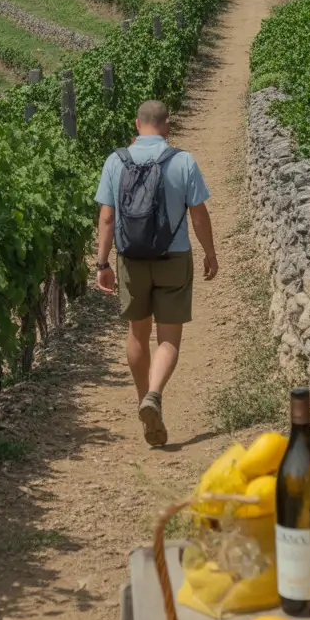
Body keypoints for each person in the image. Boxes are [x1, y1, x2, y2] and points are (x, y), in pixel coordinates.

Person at [94, 99, 218, 447]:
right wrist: (210, 253)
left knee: (137, 332)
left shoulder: (115, 161)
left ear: (137, 124)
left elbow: (106, 217)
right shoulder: (183, 161)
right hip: (174, 256)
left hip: (131, 259)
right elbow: (198, 216)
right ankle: (154, 393)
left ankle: (142, 401)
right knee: (168, 338)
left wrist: (102, 264)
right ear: (167, 124)